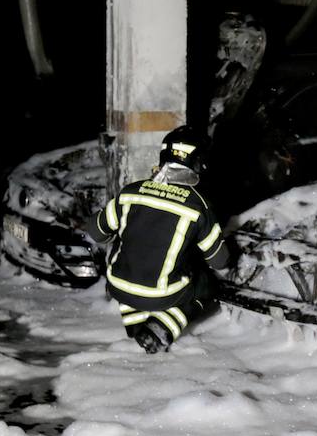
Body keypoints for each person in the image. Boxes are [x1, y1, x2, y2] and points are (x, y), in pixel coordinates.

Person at [87, 126, 231, 354]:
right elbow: (220, 261)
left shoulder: (130, 191)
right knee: (208, 287)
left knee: (131, 244)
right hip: (161, 294)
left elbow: (95, 232)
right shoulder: (198, 206)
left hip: (116, 285)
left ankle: (136, 319)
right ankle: (161, 328)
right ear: (198, 161)